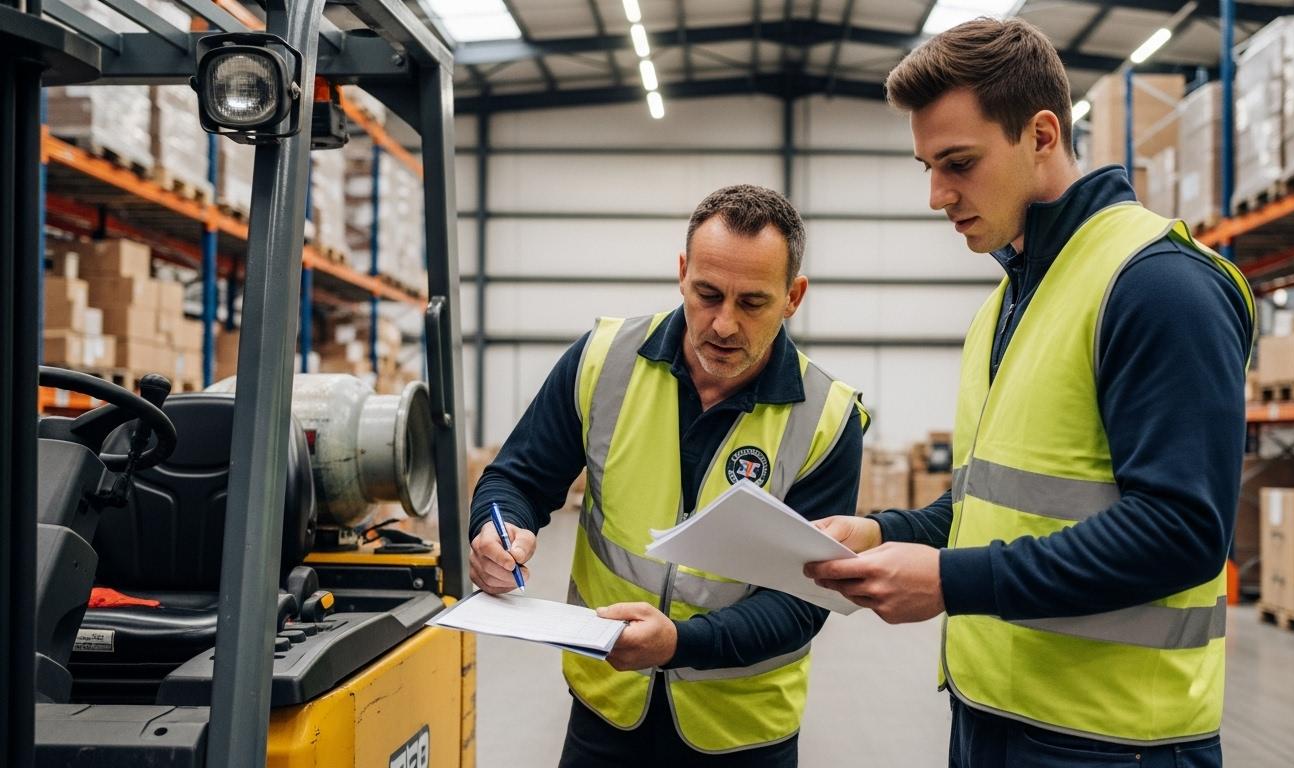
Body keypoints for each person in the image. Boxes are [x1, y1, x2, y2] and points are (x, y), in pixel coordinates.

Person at [804, 18, 1254, 768]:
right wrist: (884, 535)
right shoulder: (1009, 302)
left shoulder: (1159, 287)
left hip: (1114, 744)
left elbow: (1181, 531)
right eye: (926, 166)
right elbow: (986, 505)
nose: (936, 195)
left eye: (958, 162)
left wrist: (951, 581)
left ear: (1042, 135)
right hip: (991, 719)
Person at [469, 184, 869, 767]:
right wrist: (496, 529)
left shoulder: (826, 420)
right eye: (707, 293)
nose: (724, 324)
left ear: (793, 296)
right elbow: (518, 479)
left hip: (741, 733)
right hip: (606, 709)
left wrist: (680, 644)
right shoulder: (603, 361)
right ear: (682, 272)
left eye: (752, 302)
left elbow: (801, 604)